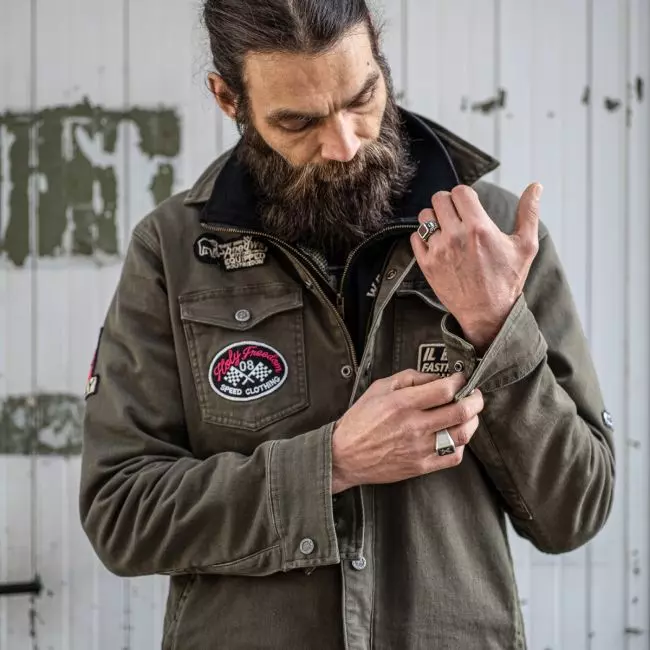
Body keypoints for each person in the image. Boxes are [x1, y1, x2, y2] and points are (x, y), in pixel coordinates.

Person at [79, 1, 615, 648]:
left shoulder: (496, 238)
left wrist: (495, 322)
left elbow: (575, 511)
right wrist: (329, 464)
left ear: (379, 56)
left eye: (363, 98)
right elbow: (121, 514)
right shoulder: (171, 251)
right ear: (228, 99)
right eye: (298, 121)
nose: (345, 144)